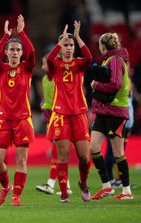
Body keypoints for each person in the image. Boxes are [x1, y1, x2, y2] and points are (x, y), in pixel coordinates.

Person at [0, 14, 35, 206]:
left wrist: (22, 33)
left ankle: (16, 196)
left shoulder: (27, 68)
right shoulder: (1, 69)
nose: (16, 52)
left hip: (23, 120)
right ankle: (6, 186)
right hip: (3, 119)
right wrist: (5, 37)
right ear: (7, 52)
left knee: (21, 160)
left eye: (18, 50)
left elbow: (32, 51)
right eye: (12, 50)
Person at [46, 21, 92, 203]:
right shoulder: (55, 65)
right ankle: (64, 192)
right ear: (60, 48)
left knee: (83, 156)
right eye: (65, 45)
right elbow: (48, 59)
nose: (68, 48)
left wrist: (78, 37)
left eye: (70, 45)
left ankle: (83, 183)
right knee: (63, 156)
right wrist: (59, 41)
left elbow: (89, 57)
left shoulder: (80, 64)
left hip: (79, 114)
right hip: (60, 115)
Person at [90, 32, 133, 200]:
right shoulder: (110, 60)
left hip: (115, 112)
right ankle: (107, 186)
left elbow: (115, 84)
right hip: (104, 111)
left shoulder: (115, 60)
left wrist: (96, 85)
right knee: (93, 147)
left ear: (103, 46)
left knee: (117, 152)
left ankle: (127, 191)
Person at [35, 55, 72, 195]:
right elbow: (47, 98)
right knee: (57, 154)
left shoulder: (58, 78)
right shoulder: (45, 79)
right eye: (44, 64)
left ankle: (51, 184)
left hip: (60, 118)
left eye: (45, 64)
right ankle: (66, 185)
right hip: (49, 119)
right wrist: (43, 103)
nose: (44, 66)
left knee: (57, 153)